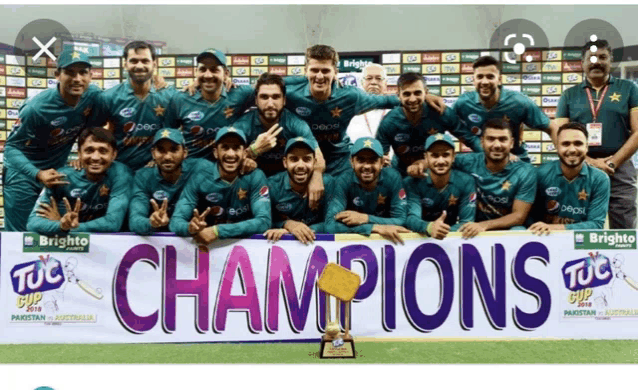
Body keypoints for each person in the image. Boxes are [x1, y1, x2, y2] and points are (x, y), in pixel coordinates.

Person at [283, 45, 446, 179]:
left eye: (325, 71)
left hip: (340, 164)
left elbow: (387, 100)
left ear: (335, 72)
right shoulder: (289, 94)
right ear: (305, 71)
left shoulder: (351, 96)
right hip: (302, 161)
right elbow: (265, 89)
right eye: (314, 70)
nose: (319, 76)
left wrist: (423, 96)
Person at [3, 49, 103, 231]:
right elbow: (11, 148)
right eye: (70, 73)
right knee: (21, 238)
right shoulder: (35, 108)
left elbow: (113, 109)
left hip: (57, 175)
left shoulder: (93, 96)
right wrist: (37, 173)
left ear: (91, 75)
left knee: (59, 231)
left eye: (83, 72)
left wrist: (159, 85)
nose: (77, 79)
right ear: (57, 75)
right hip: (23, 176)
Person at [556, 39, 638, 229]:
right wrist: (591, 163)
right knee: (579, 225)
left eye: (602, 57)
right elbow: (560, 136)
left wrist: (611, 162)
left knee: (624, 228)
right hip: (579, 167)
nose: (596, 62)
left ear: (611, 61)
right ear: (582, 63)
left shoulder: (628, 89)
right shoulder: (569, 95)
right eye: (591, 58)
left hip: (620, 167)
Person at [170, 127, 271, 243]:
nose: (231, 154)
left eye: (236, 148)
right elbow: (176, 222)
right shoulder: (200, 177)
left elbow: (264, 221)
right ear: (216, 153)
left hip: (244, 246)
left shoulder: (255, 176)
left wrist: (217, 231)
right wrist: (190, 228)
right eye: (225, 148)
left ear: (244, 153)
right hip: (206, 247)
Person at [451, 55, 558, 161]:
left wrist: (563, 158)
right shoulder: (463, 103)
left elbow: (551, 127)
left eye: (490, 77)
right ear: (473, 80)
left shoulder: (519, 102)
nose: (484, 82)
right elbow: (447, 121)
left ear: (500, 80)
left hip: (516, 161)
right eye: (480, 77)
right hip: (482, 162)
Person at [27, 127, 132, 234]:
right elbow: (32, 223)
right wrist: (61, 225)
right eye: (89, 151)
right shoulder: (61, 177)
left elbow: (113, 223)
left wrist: (69, 228)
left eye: (103, 151)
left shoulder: (121, 174)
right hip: (69, 246)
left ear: (114, 155)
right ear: (79, 154)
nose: (95, 157)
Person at [97, 41, 178, 171]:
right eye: (134, 61)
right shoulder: (108, 97)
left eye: (145, 61)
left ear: (154, 64)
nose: (139, 66)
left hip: (158, 171)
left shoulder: (171, 96)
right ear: (125, 64)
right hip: (120, 169)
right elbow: (96, 134)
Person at [452, 118, 537, 238]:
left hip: (508, 228)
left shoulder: (526, 171)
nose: (497, 145)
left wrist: (484, 225)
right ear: (482, 142)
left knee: (519, 231)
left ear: (511, 143)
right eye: (491, 139)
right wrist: (419, 165)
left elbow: (519, 216)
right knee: (456, 229)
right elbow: (440, 160)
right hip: (474, 226)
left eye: (503, 139)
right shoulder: (467, 161)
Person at [164, 48, 255, 160]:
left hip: (228, 165)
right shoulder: (180, 99)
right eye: (202, 70)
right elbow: (167, 134)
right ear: (195, 72)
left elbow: (276, 84)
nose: (207, 75)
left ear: (226, 73)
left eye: (214, 70)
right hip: (192, 169)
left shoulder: (239, 94)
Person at [376, 72, 470, 176]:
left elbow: (470, 139)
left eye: (417, 93)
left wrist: (487, 159)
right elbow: (379, 157)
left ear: (426, 93)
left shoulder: (441, 112)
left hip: (437, 173)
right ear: (399, 96)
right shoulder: (389, 122)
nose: (412, 99)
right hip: (402, 174)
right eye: (407, 94)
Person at [233, 72, 324, 178]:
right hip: (254, 181)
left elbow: (319, 159)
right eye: (264, 97)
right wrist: (253, 151)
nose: (270, 104)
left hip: (287, 181)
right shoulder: (243, 125)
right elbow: (222, 160)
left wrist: (316, 178)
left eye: (276, 97)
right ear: (256, 101)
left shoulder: (296, 124)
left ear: (284, 100)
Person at [529, 122, 610, 235]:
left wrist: (553, 228)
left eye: (578, 143)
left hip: (580, 241)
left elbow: (596, 225)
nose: (572, 149)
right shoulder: (539, 174)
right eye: (566, 144)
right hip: (543, 237)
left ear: (586, 147)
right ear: (557, 147)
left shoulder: (600, 179)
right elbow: (529, 218)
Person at [325, 137, 410, 244]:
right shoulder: (343, 180)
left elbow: (401, 220)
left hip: (385, 241)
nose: (367, 166)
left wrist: (365, 218)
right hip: (355, 242)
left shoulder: (393, 178)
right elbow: (330, 225)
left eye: (373, 160)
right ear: (352, 161)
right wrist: (373, 228)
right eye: (361, 160)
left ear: (382, 162)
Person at [129, 128, 208, 235]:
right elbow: (135, 221)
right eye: (161, 150)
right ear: (153, 153)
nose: (167, 157)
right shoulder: (142, 177)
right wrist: (151, 223)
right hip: (156, 241)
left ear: (185, 153)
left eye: (174, 150)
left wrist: (190, 227)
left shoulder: (200, 168)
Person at [404, 133, 476, 240]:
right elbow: (411, 218)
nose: (441, 161)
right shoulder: (412, 182)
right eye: (435, 155)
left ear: (453, 157)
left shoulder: (466, 181)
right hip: (420, 238)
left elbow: (466, 222)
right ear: (426, 158)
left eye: (445, 155)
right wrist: (429, 227)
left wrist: (441, 231)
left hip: (452, 240)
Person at [264, 137, 335, 244]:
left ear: (315, 162)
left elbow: (332, 222)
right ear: (285, 162)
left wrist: (299, 230)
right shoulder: (272, 185)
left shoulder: (328, 183)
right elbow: (264, 221)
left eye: (306, 159)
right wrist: (287, 224)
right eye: (294, 159)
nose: (300, 165)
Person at [346, 63, 391, 141]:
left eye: (379, 78)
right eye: (369, 78)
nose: (373, 82)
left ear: (385, 83)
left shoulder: (396, 110)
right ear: (361, 82)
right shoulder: (349, 111)